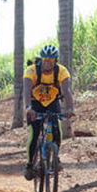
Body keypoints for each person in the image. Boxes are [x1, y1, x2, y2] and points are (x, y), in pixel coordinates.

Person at [23, 44, 75, 180]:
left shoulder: (62, 71)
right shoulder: (32, 71)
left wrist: (70, 109)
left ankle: (55, 158)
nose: (47, 63)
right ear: (41, 59)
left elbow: (67, 91)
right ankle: (29, 164)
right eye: (45, 60)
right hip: (34, 103)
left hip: (52, 102)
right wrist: (28, 107)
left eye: (51, 61)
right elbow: (26, 90)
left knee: (57, 129)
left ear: (55, 61)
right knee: (34, 133)